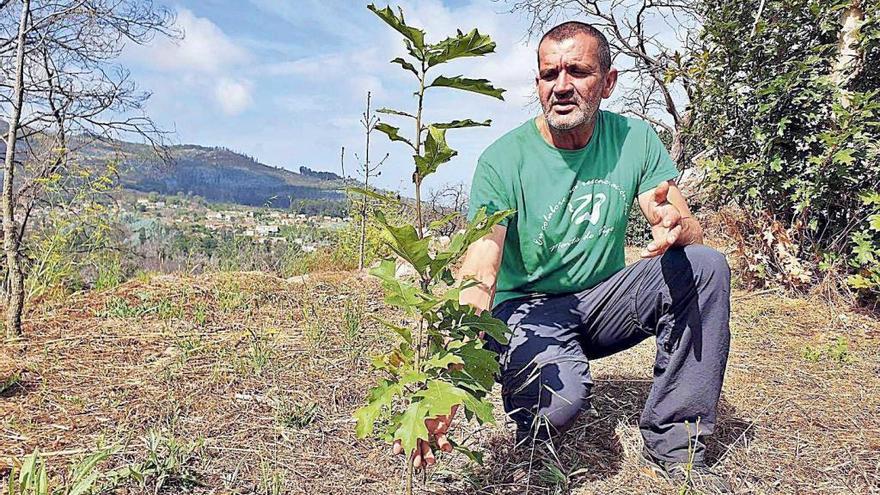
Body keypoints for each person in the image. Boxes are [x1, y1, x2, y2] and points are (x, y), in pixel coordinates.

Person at [393, 21, 733, 493]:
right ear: (537, 83)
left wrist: (676, 227)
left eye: (578, 71)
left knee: (704, 266)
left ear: (608, 82)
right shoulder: (503, 160)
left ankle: (676, 451)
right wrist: (448, 379)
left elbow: (681, 221)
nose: (562, 86)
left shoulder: (634, 139)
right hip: (526, 310)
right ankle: (537, 386)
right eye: (549, 74)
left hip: (602, 301)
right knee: (551, 410)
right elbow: (480, 270)